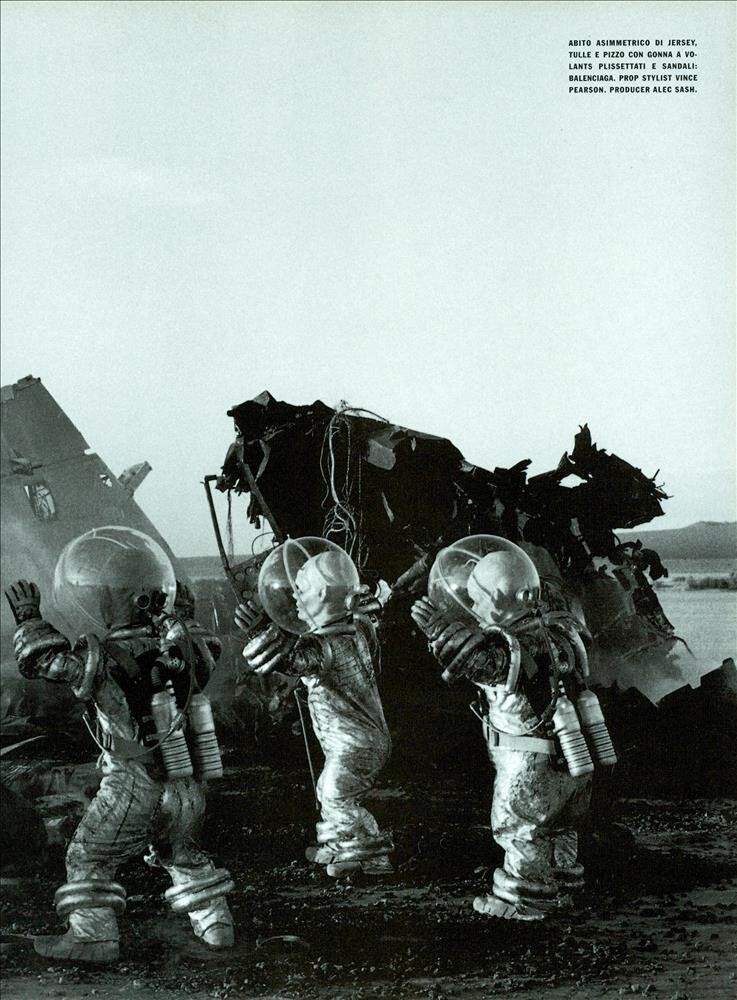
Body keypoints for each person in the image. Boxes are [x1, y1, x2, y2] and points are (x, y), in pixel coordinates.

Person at [5, 526, 234, 962]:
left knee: (87, 856)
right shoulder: (183, 650)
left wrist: (30, 619)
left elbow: (46, 661)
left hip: (132, 785)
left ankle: (93, 938)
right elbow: (207, 650)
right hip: (185, 785)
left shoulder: (102, 658)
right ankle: (216, 925)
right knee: (182, 853)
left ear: (108, 601)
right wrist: (183, 617)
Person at [412, 535, 614, 921]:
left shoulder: (510, 648)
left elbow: (483, 665)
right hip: (574, 757)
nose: (473, 608)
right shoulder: (561, 631)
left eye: (477, 599)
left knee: (519, 828)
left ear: (498, 598)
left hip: (529, 765)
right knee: (562, 827)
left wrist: (440, 633)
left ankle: (527, 899)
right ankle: (565, 885)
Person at [236, 537, 393, 877]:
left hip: (353, 744)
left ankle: (371, 853)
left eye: (301, 588)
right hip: (362, 740)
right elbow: (369, 613)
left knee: (337, 796)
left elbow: (291, 661)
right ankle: (340, 846)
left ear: (322, 594)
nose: (294, 595)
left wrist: (259, 631)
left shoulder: (325, 647)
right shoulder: (358, 628)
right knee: (328, 789)